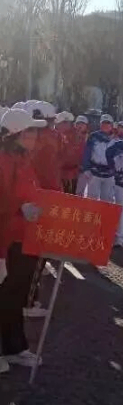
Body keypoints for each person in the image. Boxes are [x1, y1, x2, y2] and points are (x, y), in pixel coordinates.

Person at [0, 107, 46, 373]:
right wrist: (19, 208)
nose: (35, 137)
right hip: (5, 240)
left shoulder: (25, 160)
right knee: (5, 294)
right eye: (30, 133)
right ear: (15, 135)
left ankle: (14, 347)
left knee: (15, 294)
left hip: (23, 238)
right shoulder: (3, 162)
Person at [81, 113, 116, 201]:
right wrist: (86, 169)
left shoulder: (116, 139)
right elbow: (87, 153)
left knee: (107, 201)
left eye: (108, 123)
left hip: (109, 174)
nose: (105, 125)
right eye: (103, 123)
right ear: (100, 124)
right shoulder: (93, 136)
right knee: (91, 200)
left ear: (112, 125)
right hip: (94, 172)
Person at [29, 101, 62, 192]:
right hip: (50, 185)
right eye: (52, 120)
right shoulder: (56, 136)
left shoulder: (25, 135)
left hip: (32, 184)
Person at [57, 112, 86, 194]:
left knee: (69, 196)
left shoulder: (76, 136)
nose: (59, 126)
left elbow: (76, 155)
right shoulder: (58, 134)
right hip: (59, 173)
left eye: (64, 123)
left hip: (70, 174)